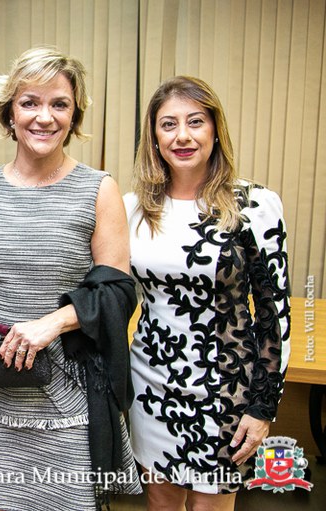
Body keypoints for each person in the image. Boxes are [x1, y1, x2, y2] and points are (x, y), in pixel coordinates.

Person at [0, 47, 141, 511]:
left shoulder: (98, 188)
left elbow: (117, 291)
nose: (44, 117)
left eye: (59, 104)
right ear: (10, 112)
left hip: (65, 384)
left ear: (74, 115)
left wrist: (52, 322)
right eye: (29, 102)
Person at [124, 75, 291, 510]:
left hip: (226, 390)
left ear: (216, 130)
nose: (182, 136)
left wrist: (263, 408)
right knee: (161, 502)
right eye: (168, 124)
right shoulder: (133, 208)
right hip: (151, 383)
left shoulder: (255, 205)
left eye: (195, 121)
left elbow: (274, 313)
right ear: (154, 136)